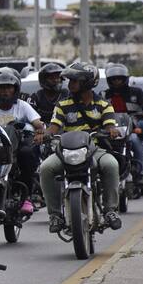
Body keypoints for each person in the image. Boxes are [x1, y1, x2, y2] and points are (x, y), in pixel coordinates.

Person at [38, 62, 122, 234]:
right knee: (45, 168)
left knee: (112, 165)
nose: (70, 85)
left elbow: (109, 125)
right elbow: (54, 127)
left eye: (74, 81)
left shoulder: (104, 105)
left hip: (94, 150)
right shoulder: (62, 105)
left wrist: (112, 131)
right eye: (70, 81)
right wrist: (44, 134)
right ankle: (55, 215)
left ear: (87, 82)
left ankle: (110, 210)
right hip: (66, 151)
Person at [0, 72, 46, 216]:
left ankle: (28, 198)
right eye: (1, 88)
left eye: (9, 88)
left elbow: (38, 123)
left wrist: (39, 131)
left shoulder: (22, 106)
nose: (5, 91)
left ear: (15, 89)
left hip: (16, 147)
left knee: (27, 153)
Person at [102, 63, 143, 186]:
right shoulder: (104, 95)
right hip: (111, 129)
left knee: (135, 140)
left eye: (119, 79)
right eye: (114, 79)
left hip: (131, 128)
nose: (117, 82)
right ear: (109, 80)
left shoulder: (136, 92)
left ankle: (140, 172)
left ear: (125, 79)